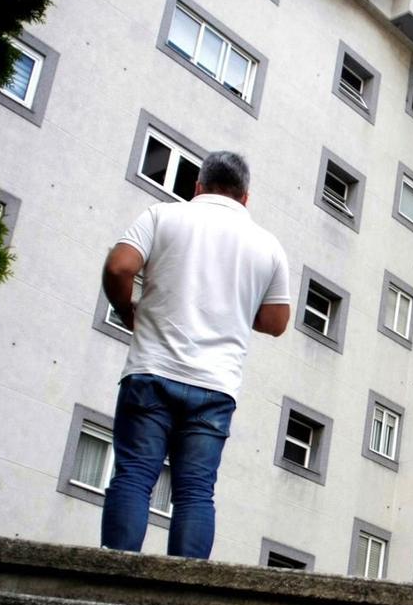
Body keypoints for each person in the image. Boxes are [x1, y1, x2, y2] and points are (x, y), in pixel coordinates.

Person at [98, 150, 290, 559]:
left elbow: (118, 268)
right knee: (195, 492)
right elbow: (276, 321)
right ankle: (185, 594)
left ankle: (110, 581)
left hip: (152, 371)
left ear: (198, 187)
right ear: (245, 198)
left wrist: (125, 309)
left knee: (133, 476)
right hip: (214, 387)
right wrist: (235, 309)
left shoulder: (161, 216)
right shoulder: (268, 246)